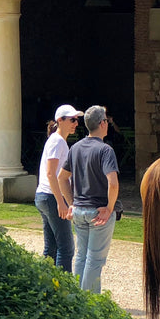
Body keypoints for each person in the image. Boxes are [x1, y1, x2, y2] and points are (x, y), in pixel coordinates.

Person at [58, 105, 119, 293]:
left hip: (79, 211)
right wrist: (109, 208)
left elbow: (62, 177)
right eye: (107, 121)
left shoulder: (75, 148)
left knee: (81, 257)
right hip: (97, 211)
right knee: (95, 260)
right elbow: (113, 183)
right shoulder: (105, 150)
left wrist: (72, 203)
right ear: (102, 124)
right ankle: (89, 304)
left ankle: (78, 301)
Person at [33, 104, 82, 271]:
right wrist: (61, 202)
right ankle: (64, 289)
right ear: (60, 120)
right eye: (72, 120)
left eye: (76, 120)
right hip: (51, 197)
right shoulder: (58, 142)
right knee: (66, 248)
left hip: (45, 196)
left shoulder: (57, 141)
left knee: (52, 247)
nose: (76, 123)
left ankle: (47, 285)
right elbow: (50, 174)